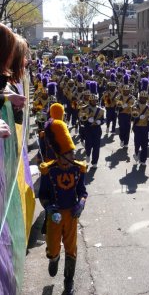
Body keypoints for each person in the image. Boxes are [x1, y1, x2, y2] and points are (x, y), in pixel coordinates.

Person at [38, 118, 87, 295]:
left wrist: (81, 203)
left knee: (72, 249)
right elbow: (42, 195)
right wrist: (48, 207)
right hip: (54, 215)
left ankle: (68, 282)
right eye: (69, 153)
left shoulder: (78, 169)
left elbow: (83, 191)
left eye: (73, 153)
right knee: (52, 248)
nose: (73, 157)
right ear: (60, 154)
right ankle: (54, 258)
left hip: (72, 215)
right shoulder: (48, 170)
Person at [80, 82, 105, 168]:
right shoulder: (84, 108)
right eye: (92, 100)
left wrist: (100, 122)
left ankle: (95, 162)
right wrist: (86, 119)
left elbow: (103, 119)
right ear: (90, 100)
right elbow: (81, 117)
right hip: (88, 129)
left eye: (95, 100)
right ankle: (87, 154)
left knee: (96, 147)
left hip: (97, 130)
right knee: (88, 144)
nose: (94, 101)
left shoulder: (101, 110)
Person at [132, 78, 149, 165]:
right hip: (137, 126)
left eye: (145, 98)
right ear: (140, 97)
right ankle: (136, 153)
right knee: (137, 143)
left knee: (144, 145)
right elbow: (132, 113)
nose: (143, 99)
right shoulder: (135, 104)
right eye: (142, 98)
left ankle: (143, 160)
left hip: (145, 127)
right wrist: (136, 115)